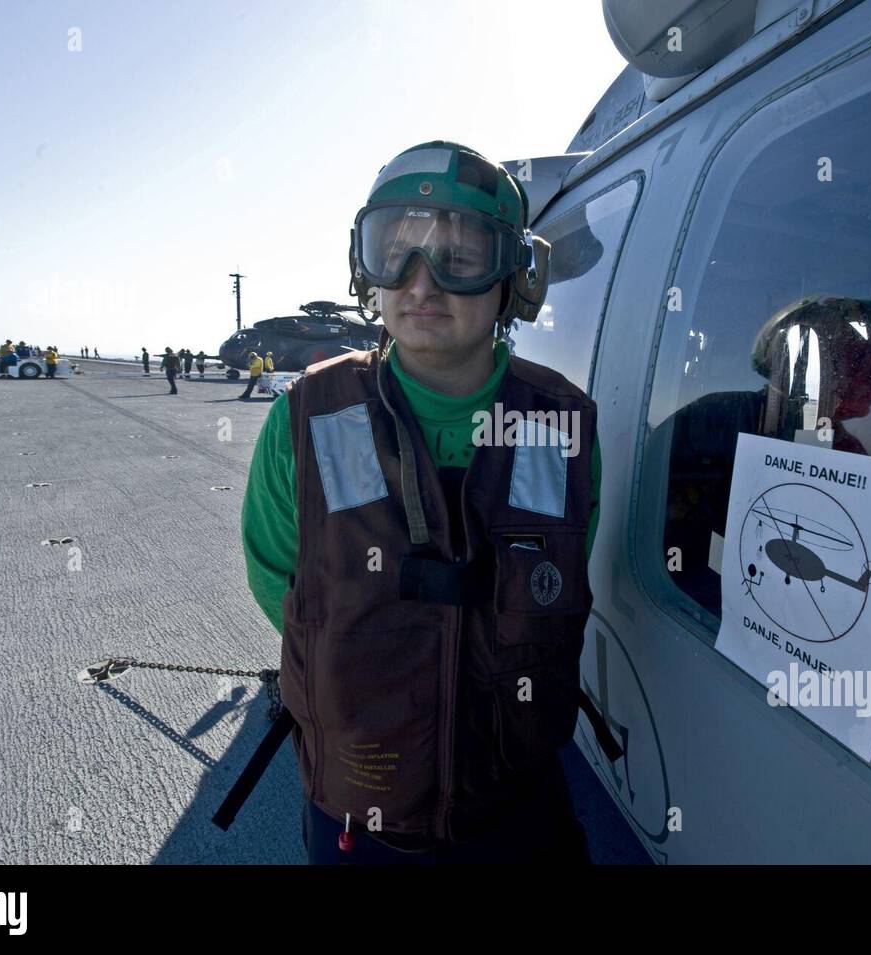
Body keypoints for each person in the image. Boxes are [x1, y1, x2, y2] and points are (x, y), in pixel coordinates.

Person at [240, 141, 603, 865]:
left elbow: (562, 569)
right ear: (363, 268)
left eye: (459, 257)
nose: (421, 284)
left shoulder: (558, 424)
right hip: (364, 812)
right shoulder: (312, 418)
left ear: (515, 278)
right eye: (395, 252)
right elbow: (280, 578)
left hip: (515, 805)